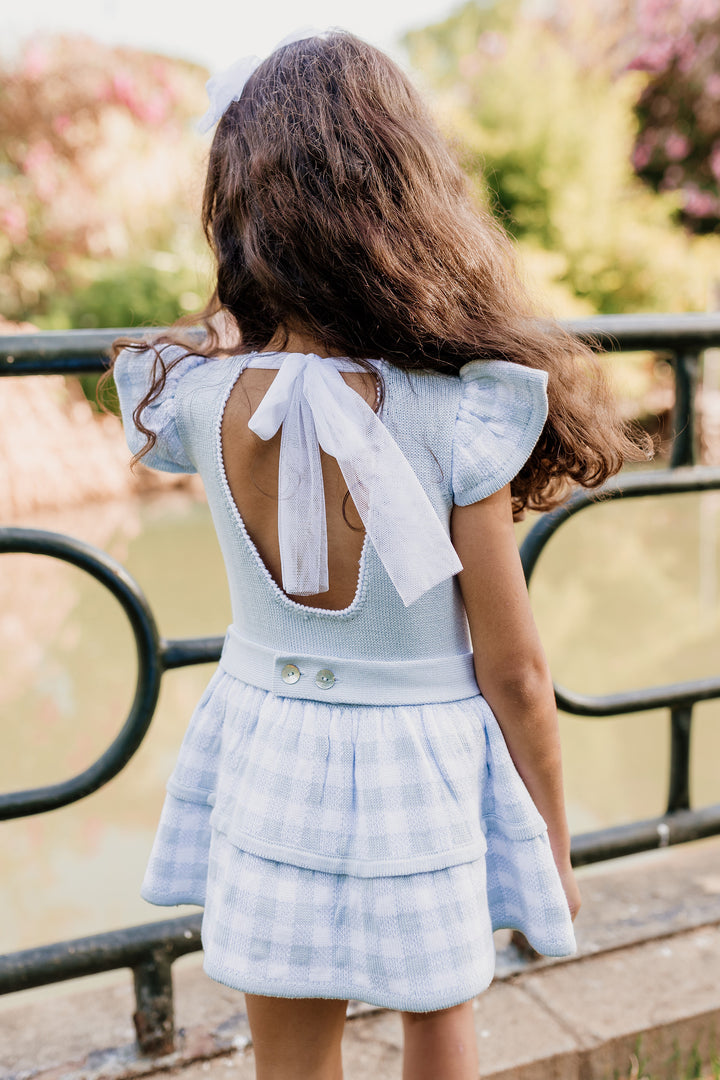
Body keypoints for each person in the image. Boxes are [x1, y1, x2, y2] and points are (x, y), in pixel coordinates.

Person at [107, 29, 649, 1080]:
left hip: (269, 741)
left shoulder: (206, 394)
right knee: (438, 1016)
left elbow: (240, 342)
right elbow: (516, 669)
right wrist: (552, 836)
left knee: (290, 1055)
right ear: (410, 201)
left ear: (241, 210)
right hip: (418, 760)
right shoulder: (458, 411)